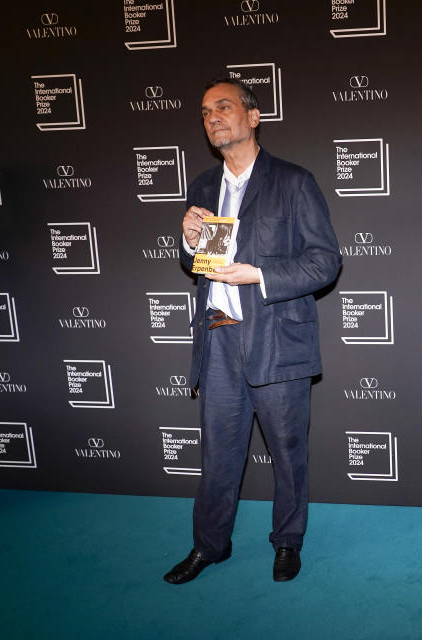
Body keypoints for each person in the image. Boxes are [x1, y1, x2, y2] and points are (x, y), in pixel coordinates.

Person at [164, 78, 341, 584]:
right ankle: (209, 546)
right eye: (204, 112)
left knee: (288, 451)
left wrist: (260, 274)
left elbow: (325, 261)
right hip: (218, 338)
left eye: (223, 107)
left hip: (276, 339)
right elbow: (197, 263)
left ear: (253, 116)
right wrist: (187, 240)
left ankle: (287, 542)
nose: (213, 117)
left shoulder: (294, 181)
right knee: (218, 454)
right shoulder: (201, 187)